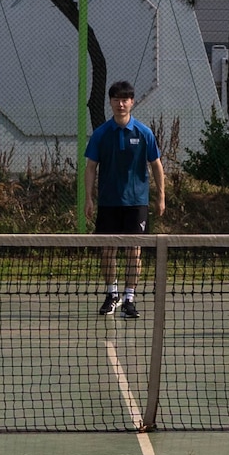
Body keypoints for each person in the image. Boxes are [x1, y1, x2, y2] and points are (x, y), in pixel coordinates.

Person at [83, 81, 164, 318]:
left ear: (132, 102)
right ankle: (112, 294)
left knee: (134, 251)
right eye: (116, 99)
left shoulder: (144, 133)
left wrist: (161, 197)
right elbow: (90, 168)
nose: (121, 103)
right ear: (110, 102)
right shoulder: (101, 134)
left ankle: (129, 298)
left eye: (125, 99)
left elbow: (156, 166)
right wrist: (89, 198)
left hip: (137, 203)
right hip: (108, 203)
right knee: (108, 250)